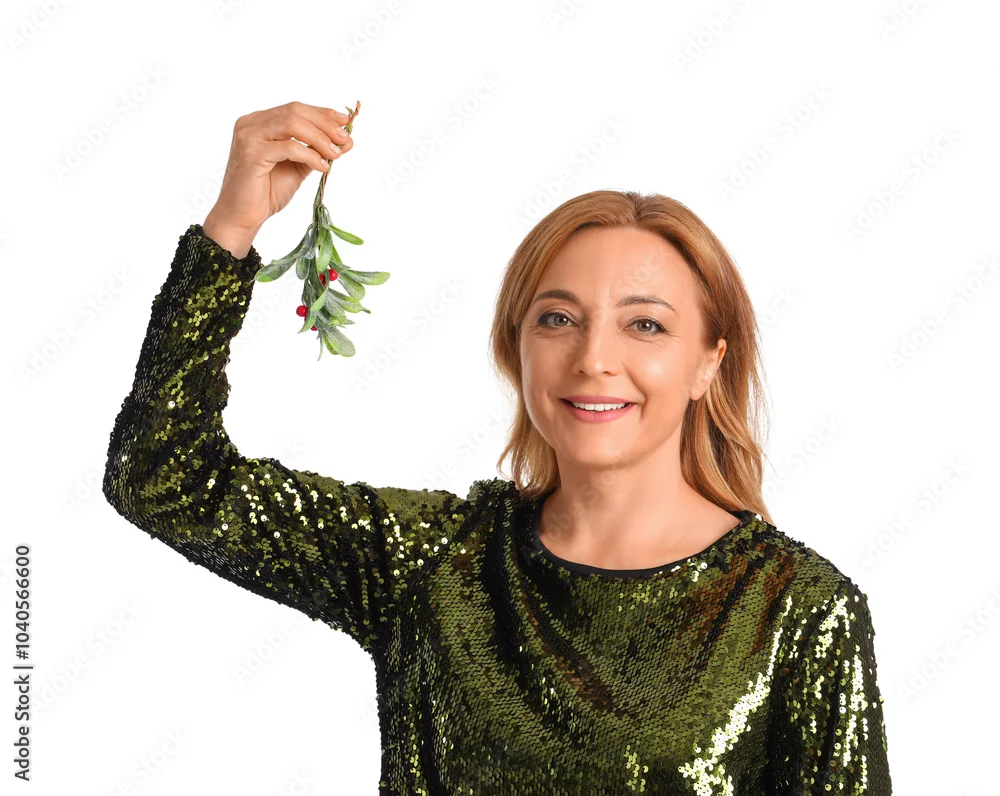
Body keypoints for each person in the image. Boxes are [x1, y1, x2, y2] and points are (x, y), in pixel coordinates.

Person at [102, 101, 892, 794]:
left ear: (707, 363)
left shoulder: (800, 613)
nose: (594, 358)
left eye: (645, 325)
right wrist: (231, 228)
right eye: (558, 319)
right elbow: (162, 479)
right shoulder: (433, 564)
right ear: (517, 347)